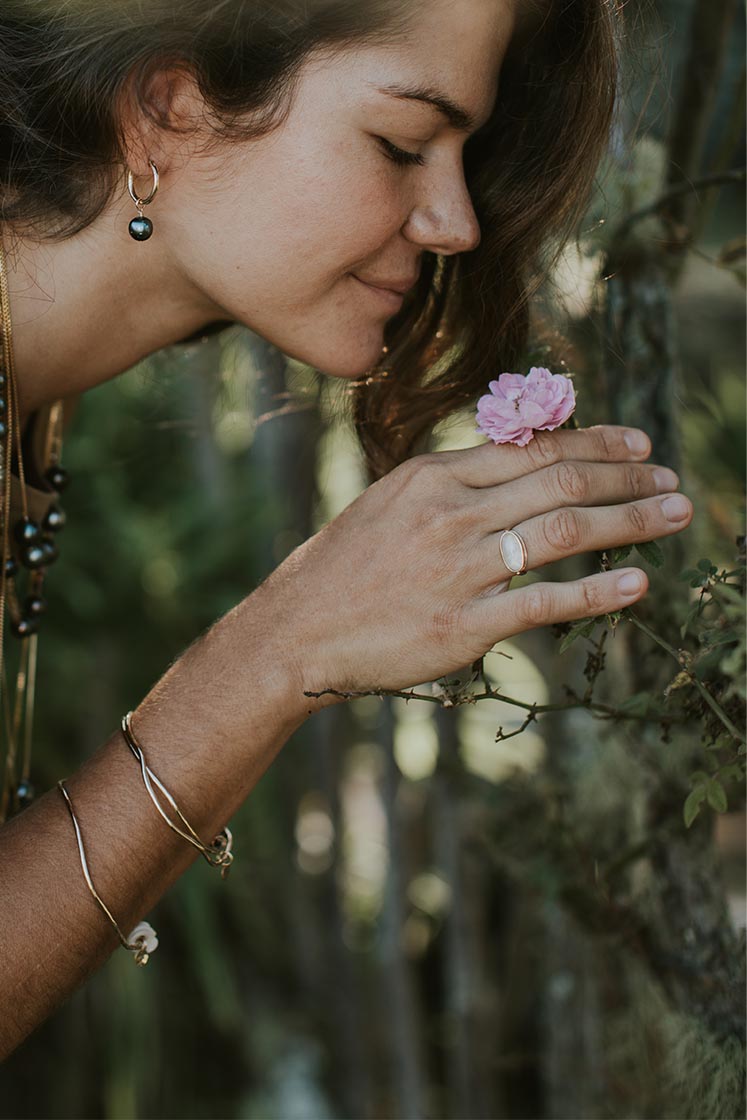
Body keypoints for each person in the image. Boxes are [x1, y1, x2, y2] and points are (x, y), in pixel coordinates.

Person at [0, 0, 693, 1058]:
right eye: (402, 143)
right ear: (166, 110)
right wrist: (282, 645)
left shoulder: (36, 403)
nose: (456, 221)